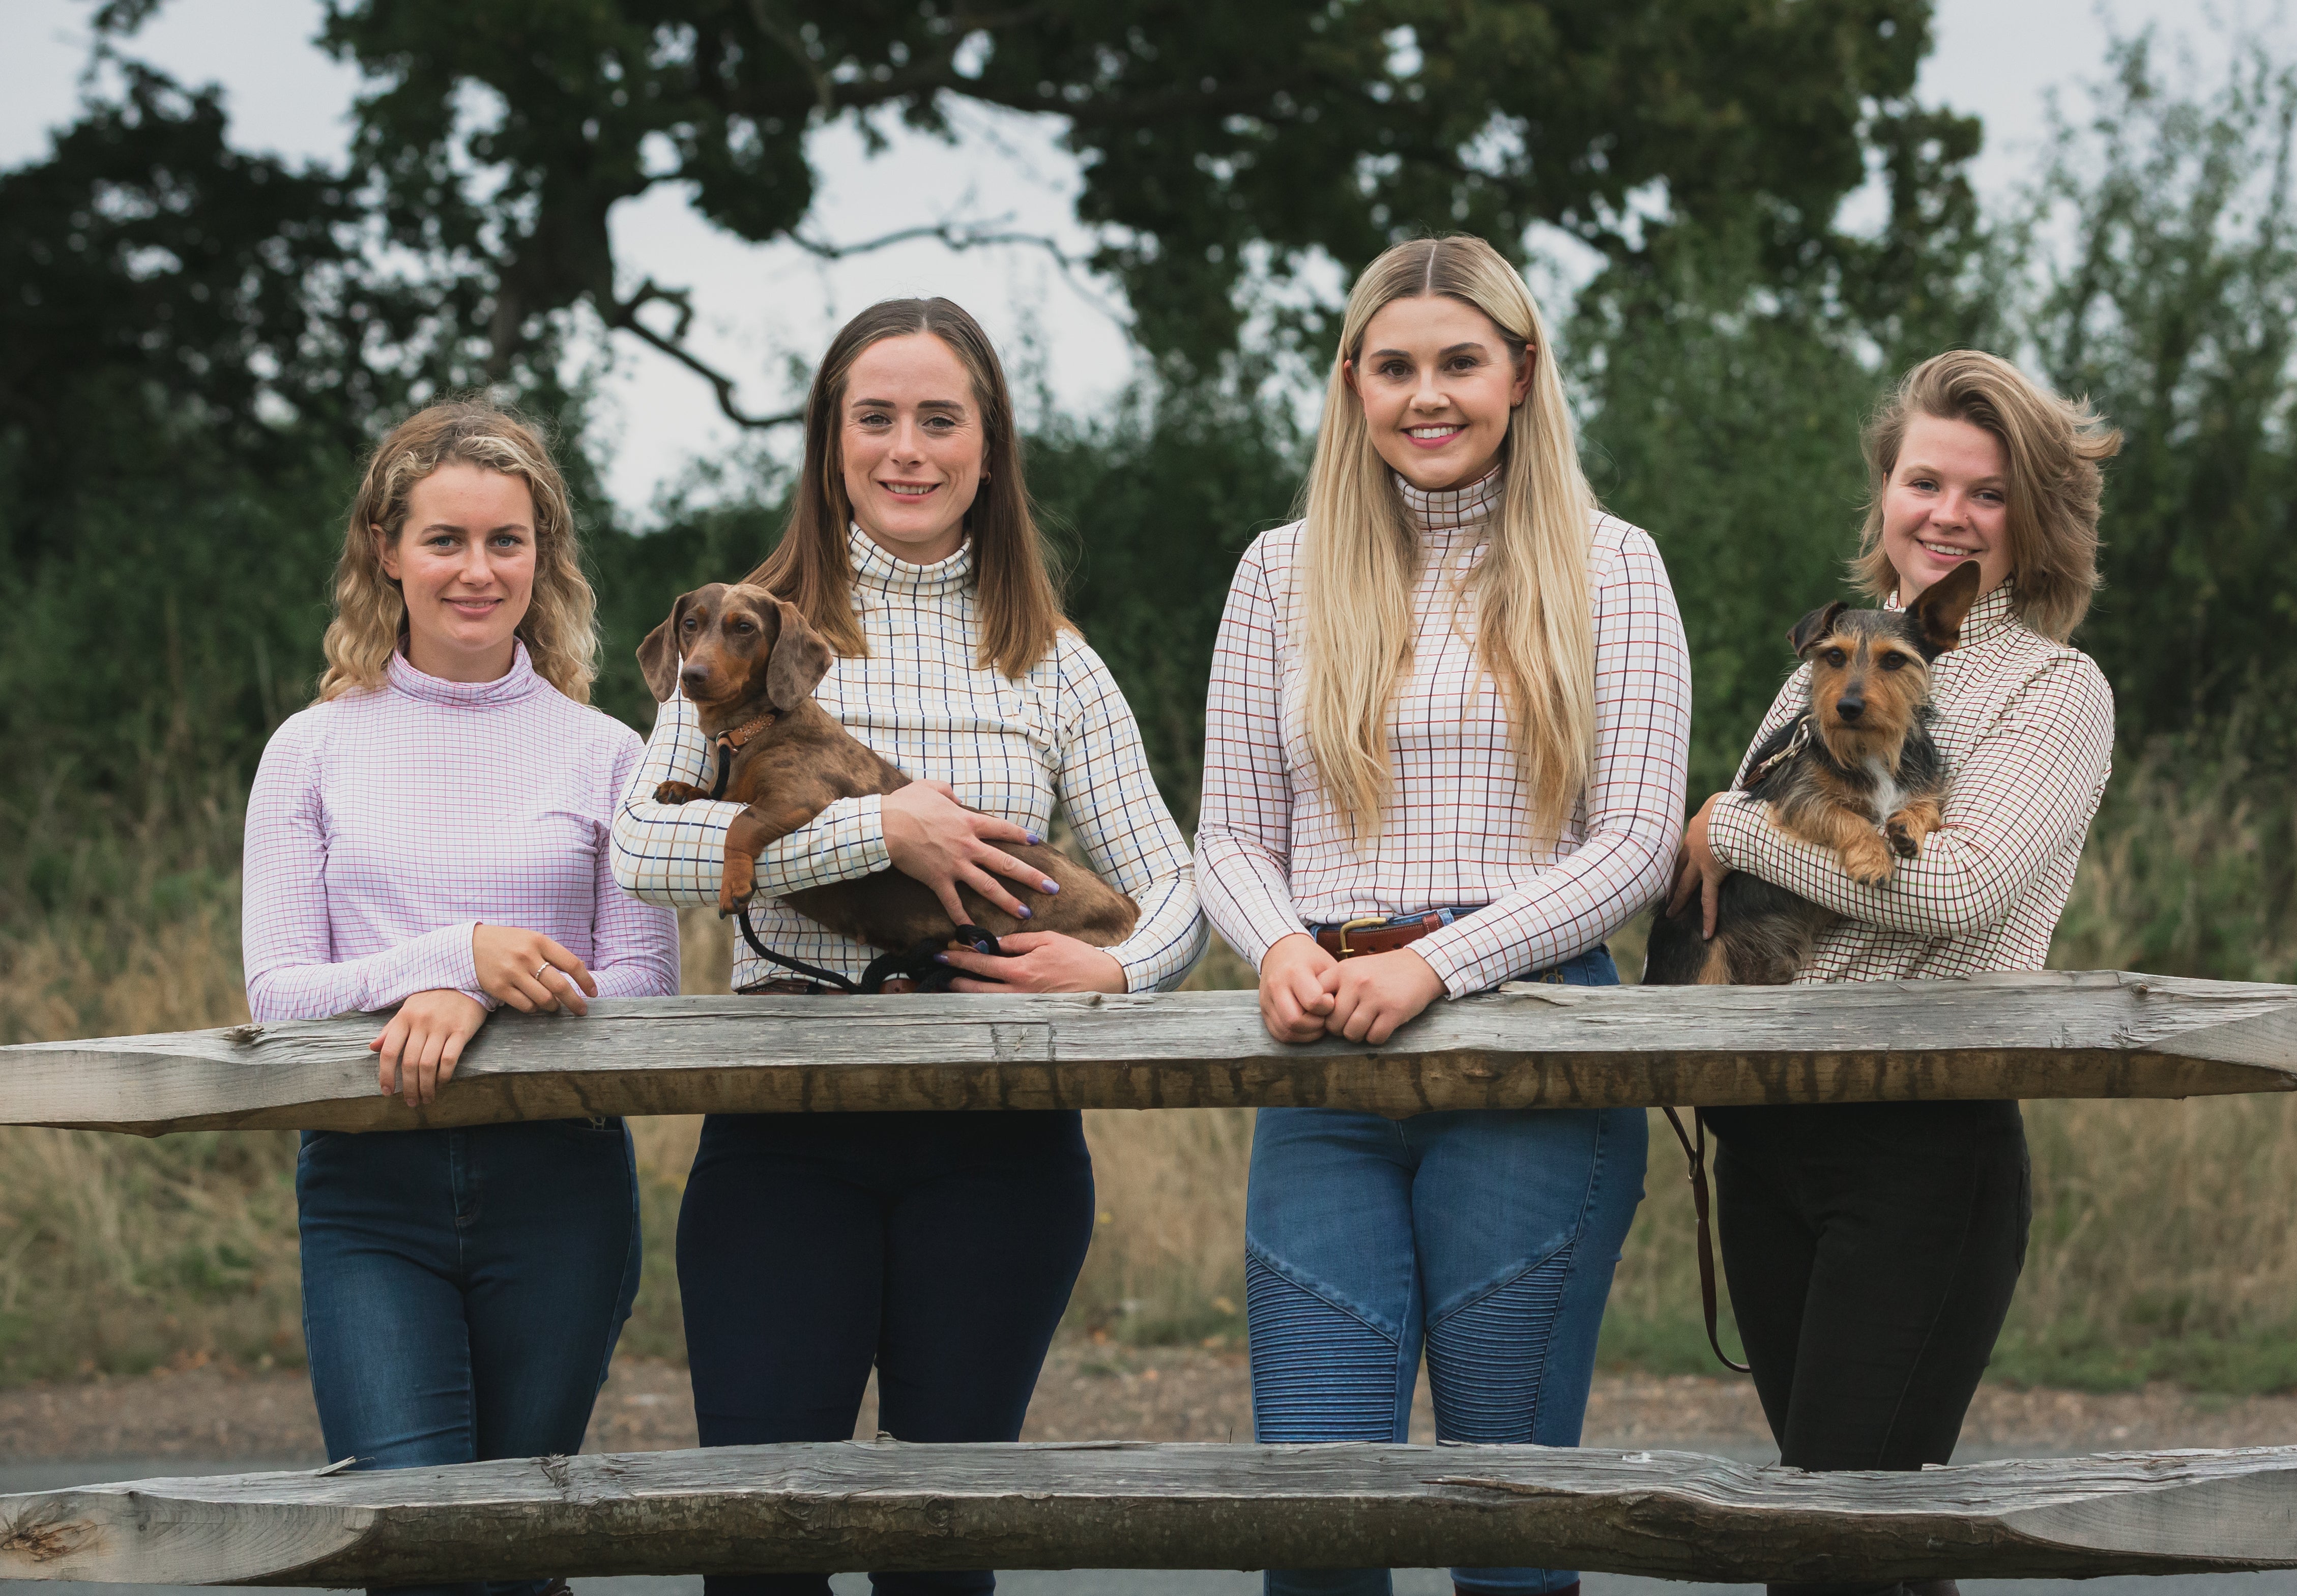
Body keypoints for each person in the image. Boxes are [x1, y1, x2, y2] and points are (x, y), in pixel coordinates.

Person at [612, 297, 1203, 1596]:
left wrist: (1111, 970)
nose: (906, 450)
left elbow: (1179, 889)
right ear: (830, 442)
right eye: (873, 418)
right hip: (785, 1124)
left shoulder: (1050, 663)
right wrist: (887, 828)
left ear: (989, 446)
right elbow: (645, 856)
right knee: (759, 1550)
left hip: (997, 1140)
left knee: (940, 1555)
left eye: (941, 419)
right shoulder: (738, 636)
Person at [1196, 235, 1692, 1596]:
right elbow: (1232, 832)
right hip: (1323, 1064)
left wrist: (1436, 964)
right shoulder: (1277, 573)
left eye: (1462, 363)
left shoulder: (1614, 567)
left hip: (1535, 1053)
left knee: (1507, 1522)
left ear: (1521, 373)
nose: (1431, 396)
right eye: (1395, 366)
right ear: (1352, 381)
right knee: (1316, 1526)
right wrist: (1281, 945)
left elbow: (1636, 841)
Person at [1671, 350, 2119, 1596]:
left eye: (1986, 495)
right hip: (1767, 1138)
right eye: (1925, 482)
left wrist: (1737, 824)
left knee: (1832, 1550)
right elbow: (1742, 871)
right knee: (1859, 1552)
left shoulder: (2054, 687)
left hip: (1917, 1149)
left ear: (2031, 520)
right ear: (1885, 496)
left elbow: (1955, 889)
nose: (1948, 516)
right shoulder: (1826, 660)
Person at [243, 400, 679, 1596]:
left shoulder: (608, 755)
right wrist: (450, 957)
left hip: (561, 1190)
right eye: (446, 540)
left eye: (506, 541)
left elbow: (642, 985)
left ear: (544, 557)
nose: (477, 571)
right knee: (410, 1547)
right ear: (386, 550)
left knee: (518, 1546)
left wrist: (484, 994)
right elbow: (280, 997)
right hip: (369, 1190)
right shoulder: (312, 750)